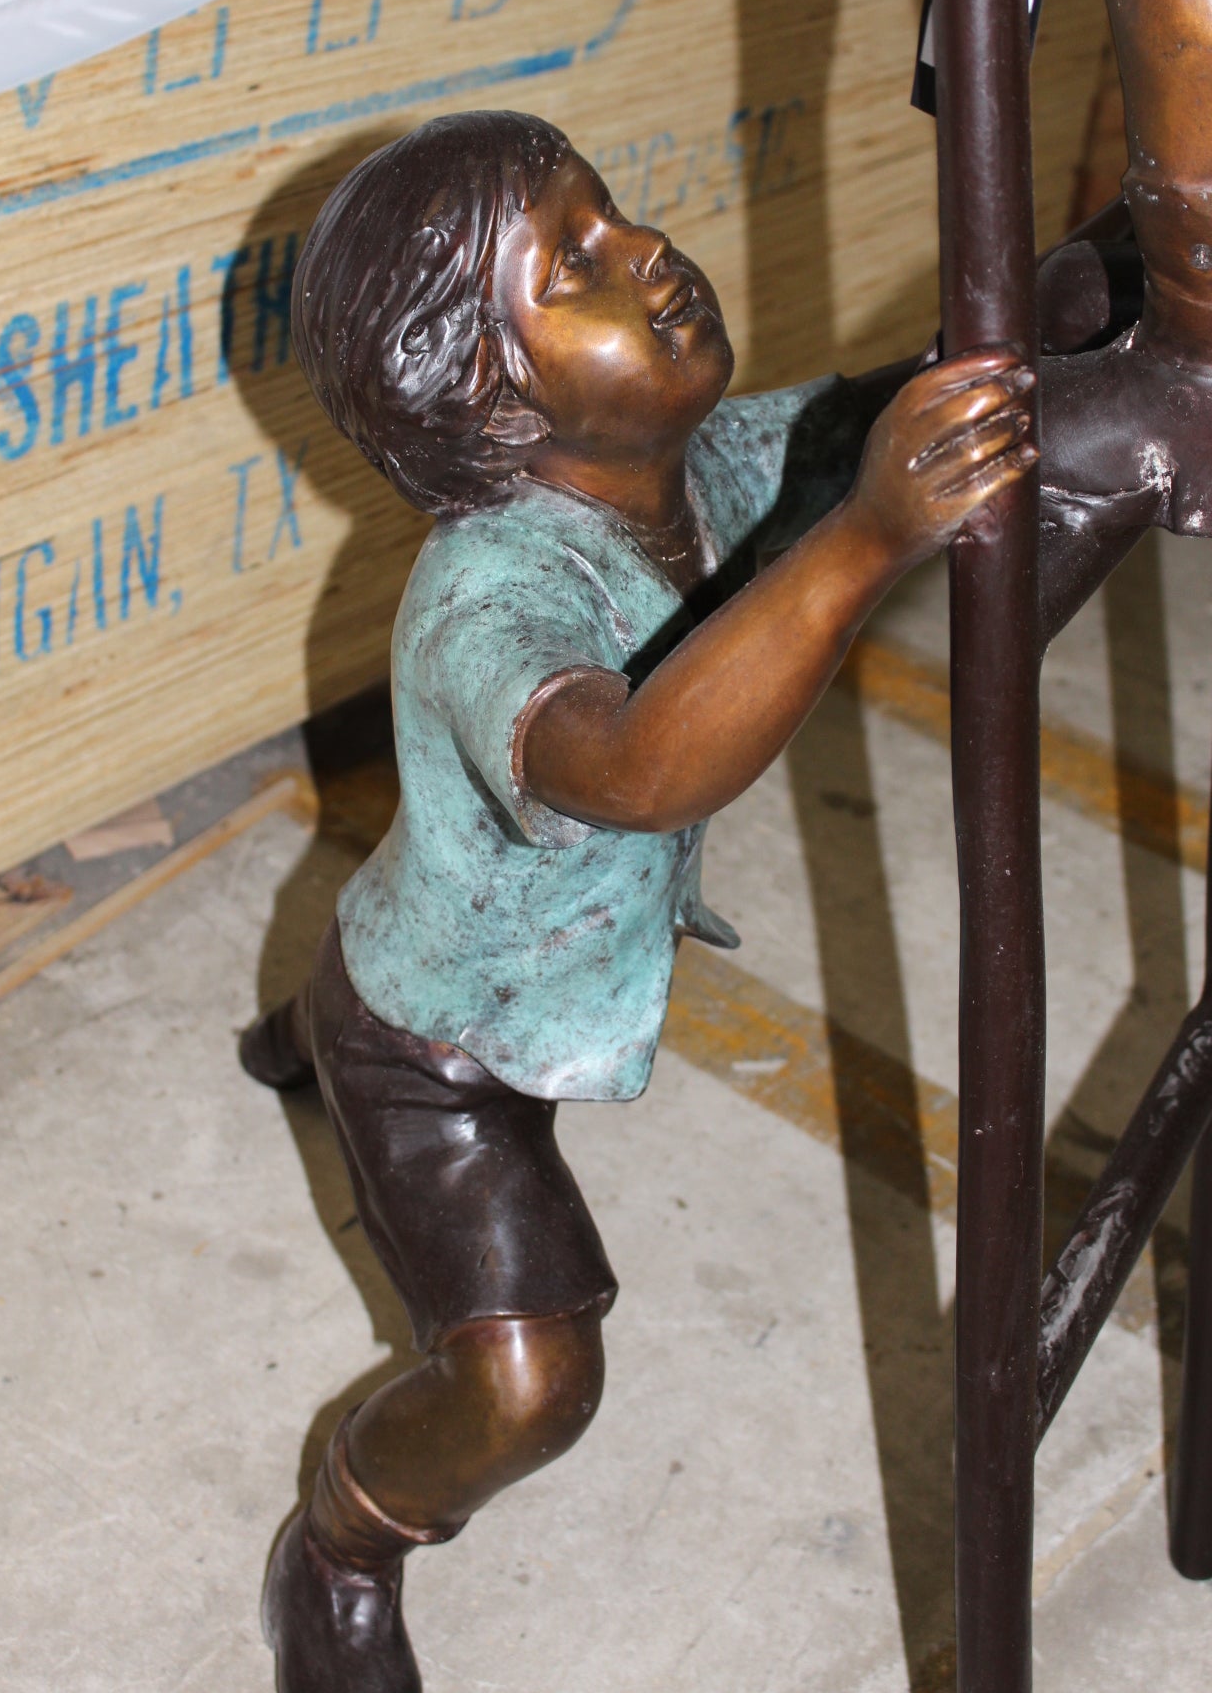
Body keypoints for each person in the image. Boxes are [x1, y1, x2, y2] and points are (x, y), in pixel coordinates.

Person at [240, 108, 1035, 1692]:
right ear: (482, 392)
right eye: (578, 266)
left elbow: (878, 411)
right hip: (438, 1051)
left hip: (492, 956)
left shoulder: (706, 465)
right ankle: (340, 1539)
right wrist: (869, 536)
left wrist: (1075, 301)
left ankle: (299, 1034)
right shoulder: (489, 595)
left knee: (414, 939)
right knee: (530, 1384)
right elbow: (637, 767)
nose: (649, 255)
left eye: (617, 215)